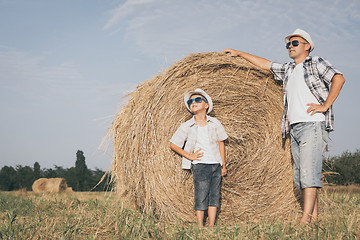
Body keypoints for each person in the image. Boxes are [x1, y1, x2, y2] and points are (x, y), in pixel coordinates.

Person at [223, 29, 345, 224]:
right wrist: (239, 53)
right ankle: (314, 217)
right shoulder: (288, 69)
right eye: (288, 44)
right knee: (301, 174)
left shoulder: (316, 63)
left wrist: (325, 105)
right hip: (294, 128)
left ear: (307, 46)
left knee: (308, 172)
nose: (290, 46)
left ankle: (305, 219)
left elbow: (338, 78)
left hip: (312, 124)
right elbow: (265, 64)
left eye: (294, 43)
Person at [170, 88, 228, 228]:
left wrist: (223, 165)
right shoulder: (187, 125)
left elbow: (221, 143)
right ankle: (200, 227)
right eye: (190, 102)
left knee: (214, 196)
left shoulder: (215, 123)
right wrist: (189, 156)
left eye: (197, 100)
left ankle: (211, 227)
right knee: (201, 196)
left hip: (215, 164)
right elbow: (173, 144)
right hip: (200, 165)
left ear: (206, 105)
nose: (193, 103)